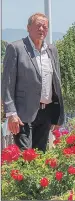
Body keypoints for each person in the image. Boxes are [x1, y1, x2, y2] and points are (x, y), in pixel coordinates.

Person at [1, 12, 65, 152]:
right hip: (22, 115)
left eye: (45, 27)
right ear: (28, 27)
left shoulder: (51, 50)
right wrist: (11, 113)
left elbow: (56, 83)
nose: (42, 29)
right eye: (38, 26)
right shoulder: (16, 48)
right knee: (26, 155)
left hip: (46, 113)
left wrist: (58, 115)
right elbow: (7, 84)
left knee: (40, 156)